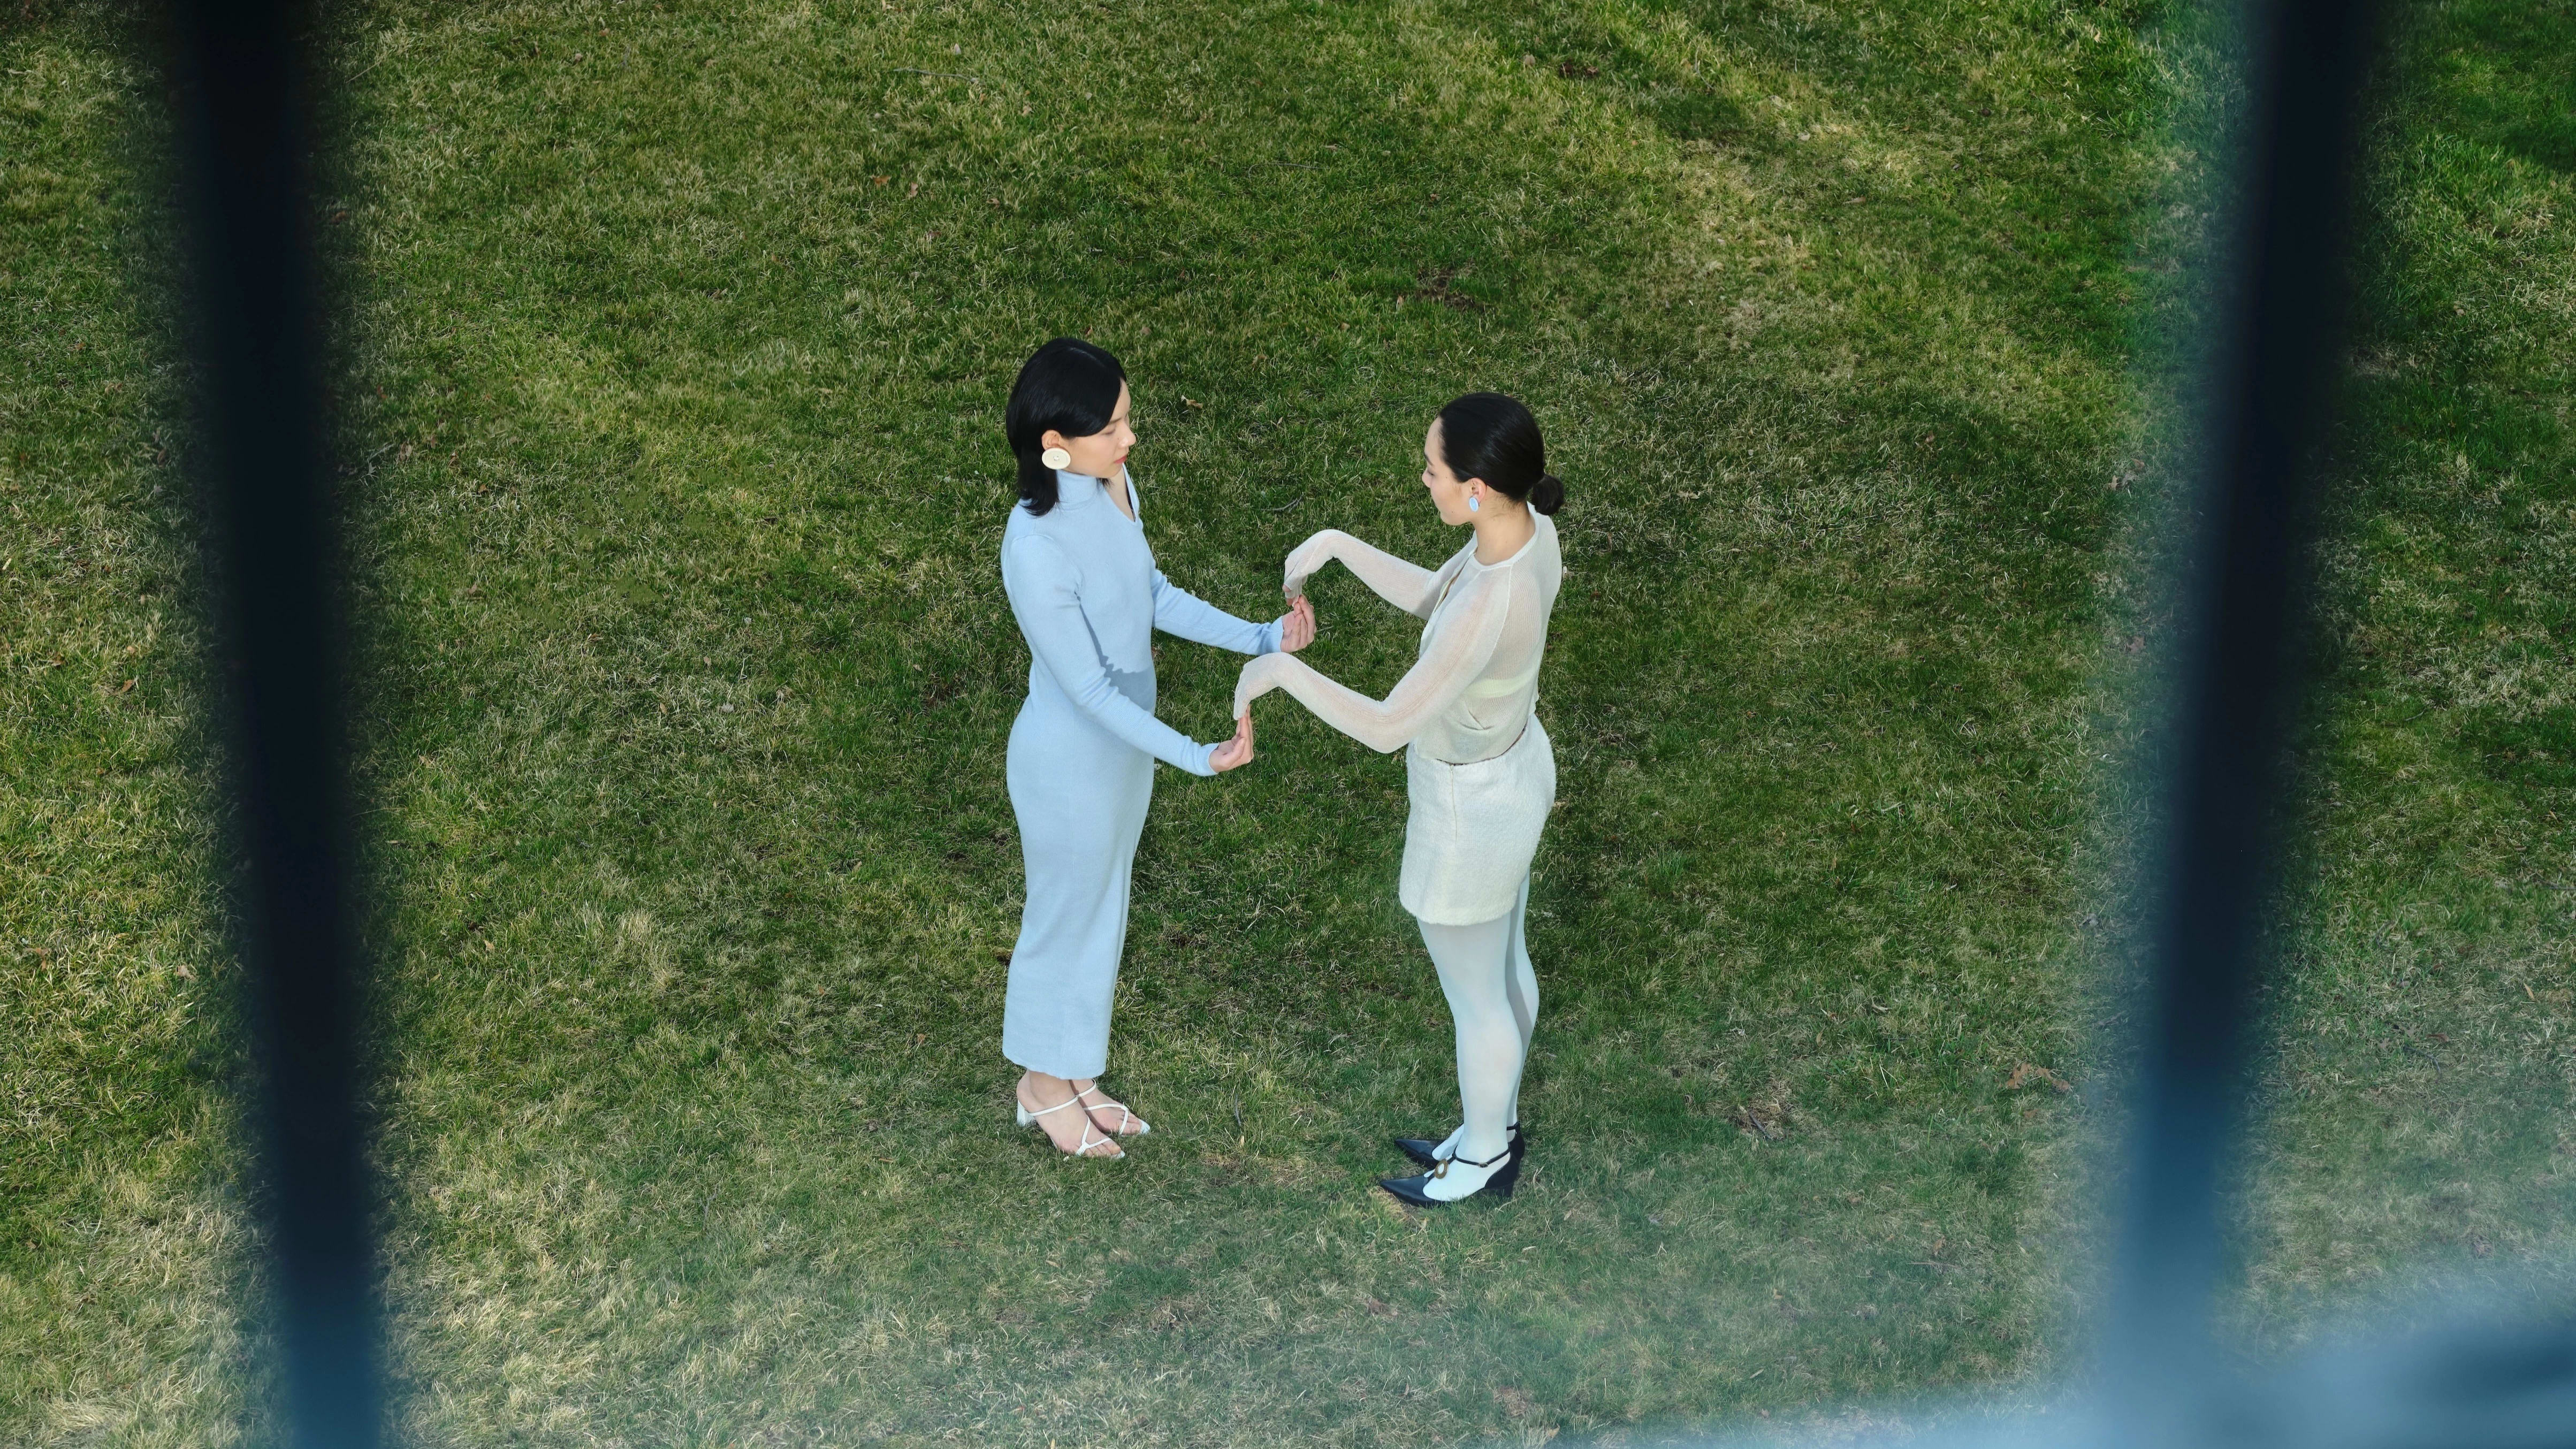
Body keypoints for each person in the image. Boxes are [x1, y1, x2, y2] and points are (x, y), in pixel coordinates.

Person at [1235, 392, 1564, 1205]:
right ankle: (1497, 1125)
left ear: (1476, 487)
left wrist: (1277, 672)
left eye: (1430, 469)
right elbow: (1439, 595)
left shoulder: (1489, 603)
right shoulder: (1525, 536)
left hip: (1471, 816)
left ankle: (1485, 1156)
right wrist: (1338, 547)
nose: (1423, 480)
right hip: (1514, 776)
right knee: (1504, 964)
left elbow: (1388, 726)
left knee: (1476, 995)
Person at [999, 338, 1317, 1160]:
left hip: (1120, 751)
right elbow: (1093, 693)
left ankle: (1073, 1075)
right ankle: (1039, 1087)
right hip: (1069, 761)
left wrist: (1261, 637)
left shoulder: (1111, 484)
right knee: (1064, 915)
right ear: (1054, 446)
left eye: (1128, 420)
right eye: (1113, 428)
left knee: (1103, 911)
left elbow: (1151, 595)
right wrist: (1195, 753)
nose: (1130, 439)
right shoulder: (1033, 548)